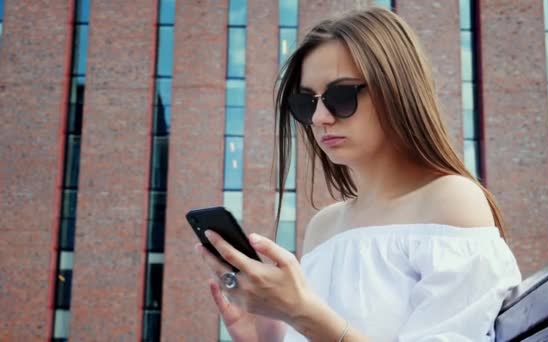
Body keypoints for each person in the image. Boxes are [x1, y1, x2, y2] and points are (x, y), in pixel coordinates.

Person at [197, 6, 522, 342]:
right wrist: (263, 336)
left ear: (396, 90)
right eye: (306, 102)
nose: (320, 117)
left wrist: (300, 312)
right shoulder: (323, 226)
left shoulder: (451, 200)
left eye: (341, 96)